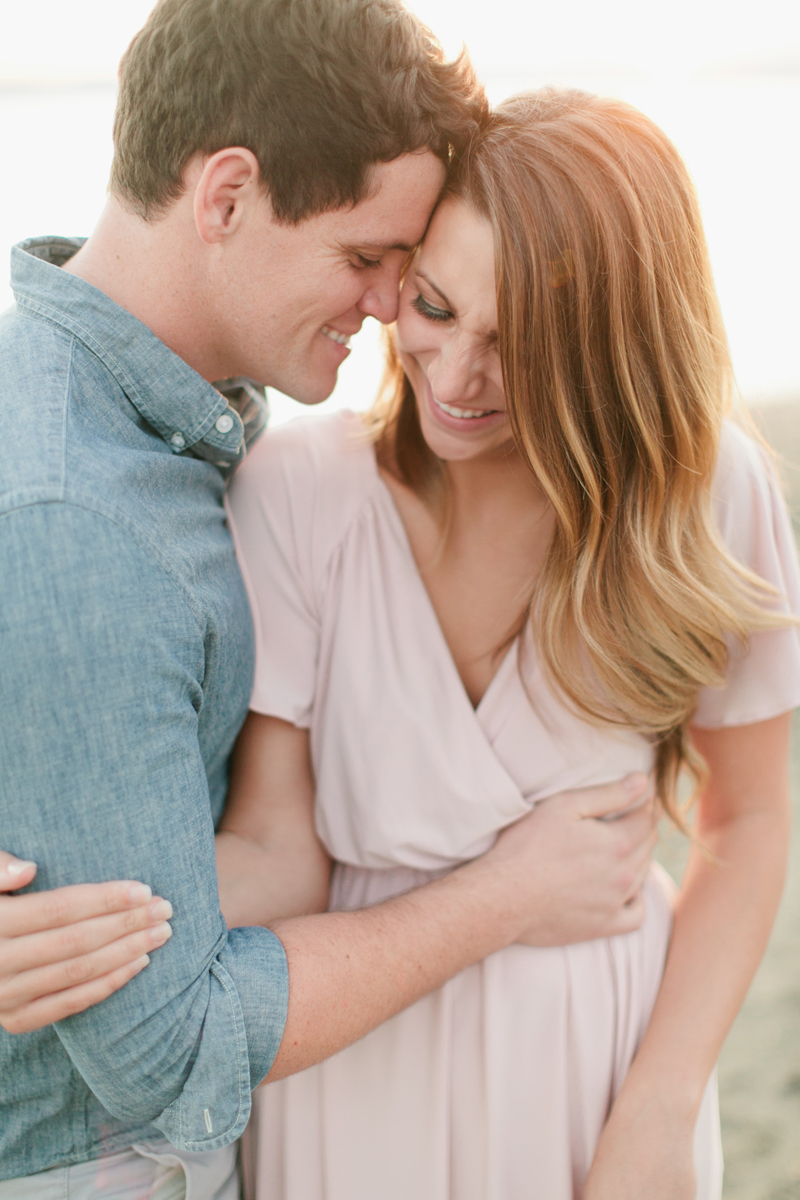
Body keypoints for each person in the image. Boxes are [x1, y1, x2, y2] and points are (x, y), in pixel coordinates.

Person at [8, 87, 800, 1197]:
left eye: (519, 345)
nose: (460, 377)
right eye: (433, 307)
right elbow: (275, 851)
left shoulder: (705, 492)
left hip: (604, 1073)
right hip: (344, 1056)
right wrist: (58, 902)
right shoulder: (300, 489)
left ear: (612, 347)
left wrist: (662, 1103)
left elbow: (751, 815)